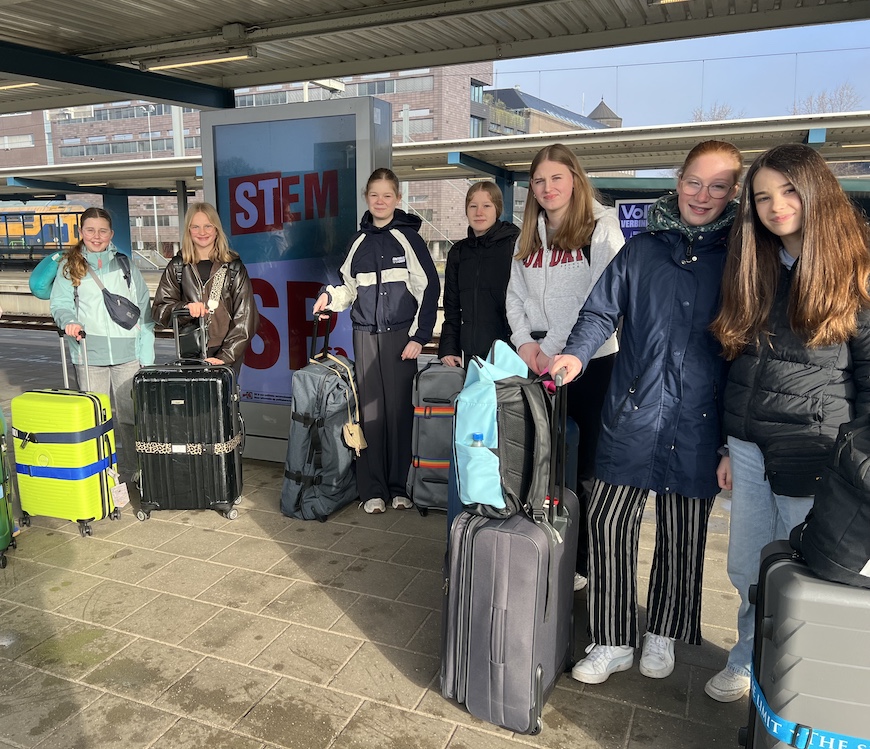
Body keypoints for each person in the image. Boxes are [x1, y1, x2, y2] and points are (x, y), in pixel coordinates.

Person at [551, 140, 743, 685]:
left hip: (700, 420)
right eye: (693, 182)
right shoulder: (641, 251)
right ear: (678, 182)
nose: (702, 195)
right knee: (609, 520)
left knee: (684, 532)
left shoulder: (741, 260)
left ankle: (662, 631)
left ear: (733, 191)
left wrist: (731, 441)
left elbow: (748, 350)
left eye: (717, 186)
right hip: (632, 410)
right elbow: (599, 313)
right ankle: (612, 638)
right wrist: (576, 354)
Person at [705, 144, 870, 702]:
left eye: (789, 191)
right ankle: (747, 660)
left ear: (816, 190)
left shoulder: (856, 271)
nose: (776, 206)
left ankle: (796, 680)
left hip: (816, 451)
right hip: (749, 447)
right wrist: (728, 447)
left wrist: (859, 466)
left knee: (806, 573)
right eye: (762, 197)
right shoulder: (756, 265)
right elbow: (739, 363)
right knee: (749, 568)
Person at [505, 143, 624, 592]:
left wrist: (552, 348)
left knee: (586, 470)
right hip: (537, 362)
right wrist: (524, 345)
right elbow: (514, 295)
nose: (548, 187)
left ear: (575, 178)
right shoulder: (529, 234)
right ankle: (544, 546)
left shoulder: (601, 228)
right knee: (544, 462)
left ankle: (584, 562)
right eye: (539, 180)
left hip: (591, 363)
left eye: (556, 178)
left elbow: (600, 299)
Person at [313, 168, 440, 514]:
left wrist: (419, 337)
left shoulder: (409, 239)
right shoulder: (358, 242)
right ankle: (372, 489)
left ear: (398, 198)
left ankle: (400, 487)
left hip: (402, 339)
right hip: (365, 336)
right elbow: (348, 289)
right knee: (369, 414)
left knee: (400, 413)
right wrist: (329, 297)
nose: (380, 201)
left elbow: (429, 289)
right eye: (374, 195)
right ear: (366, 198)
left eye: (387, 195)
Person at [50, 207, 155, 484]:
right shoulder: (69, 266)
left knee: (130, 418)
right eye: (90, 230)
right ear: (81, 232)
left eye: (102, 231)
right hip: (88, 354)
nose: (96, 236)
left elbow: (144, 309)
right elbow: (60, 304)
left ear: (111, 233)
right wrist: (69, 321)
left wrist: (146, 354)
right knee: (95, 420)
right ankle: (101, 474)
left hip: (127, 354)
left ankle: (137, 472)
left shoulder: (124, 264)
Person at [152, 202, 259, 377]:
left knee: (222, 395)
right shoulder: (178, 266)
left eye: (208, 226)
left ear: (216, 229)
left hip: (225, 351)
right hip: (189, 351)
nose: (202, 232)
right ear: (188, 230)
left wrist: (226, 356)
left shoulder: (233, 267)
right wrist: (185, 309)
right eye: (195, 226)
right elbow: (159, 311)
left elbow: (246, 317)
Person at [439, 182, 519, 365]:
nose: (479, 212)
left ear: (497, 209)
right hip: (471, 354)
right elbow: (452, 307)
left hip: (510, 353)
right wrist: (449, 347)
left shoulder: (515, 246)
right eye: (473, 206)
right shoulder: (459, 252)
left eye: (487, 206)